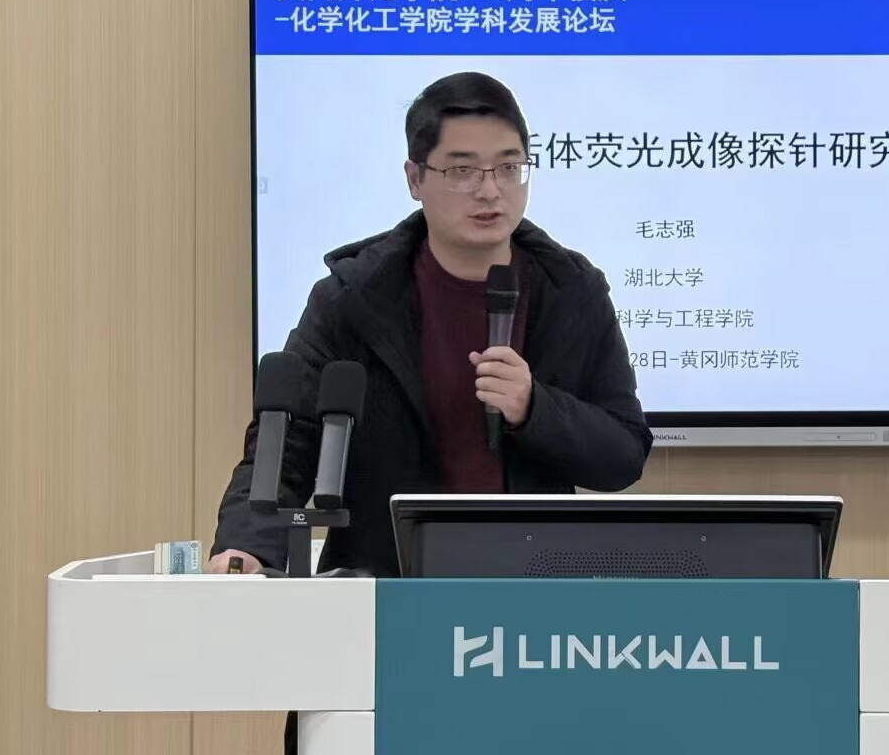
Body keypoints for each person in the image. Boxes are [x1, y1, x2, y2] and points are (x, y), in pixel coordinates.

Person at [208, 71, 652, 579]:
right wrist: (246, 546)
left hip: (533, 589)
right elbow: (287, 442)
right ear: (414, 178)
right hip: (385, 588)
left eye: (510, 168)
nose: (491, 190)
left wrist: (536, 408)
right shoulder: (354, 296)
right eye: (463, 170)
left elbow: (624, 454)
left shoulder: (573, 291)